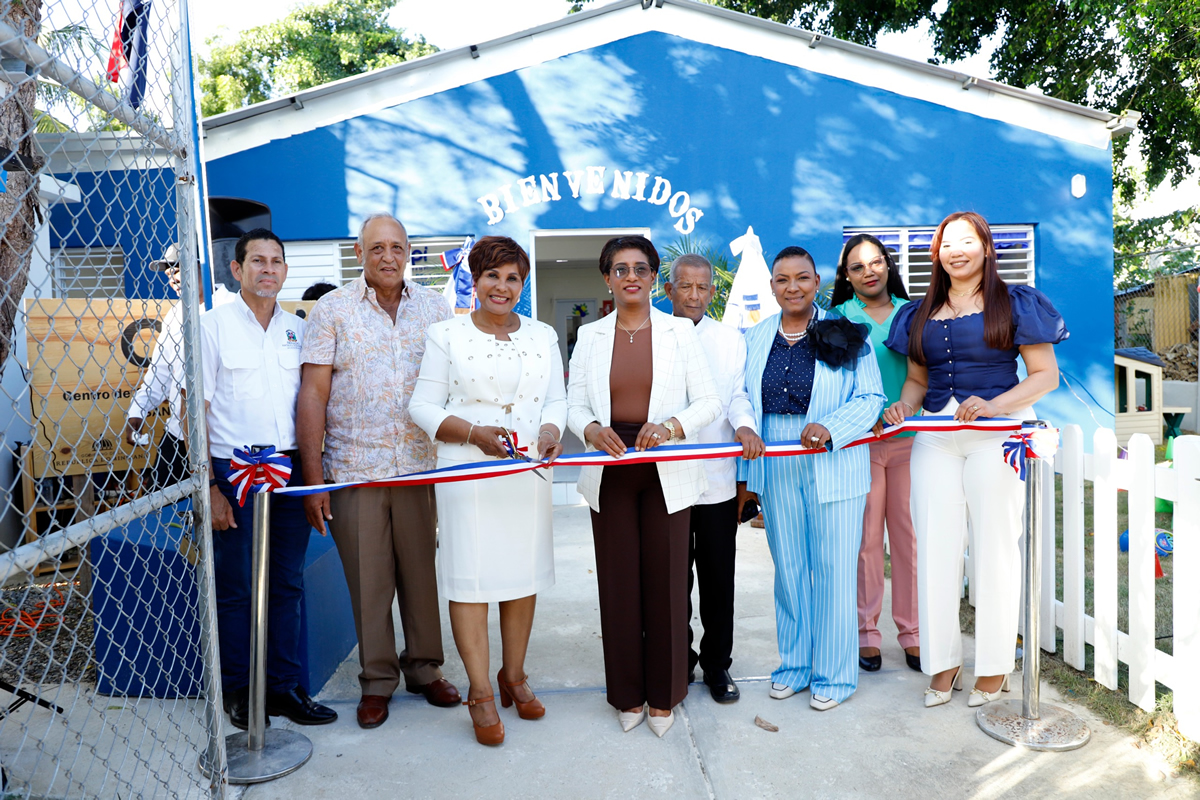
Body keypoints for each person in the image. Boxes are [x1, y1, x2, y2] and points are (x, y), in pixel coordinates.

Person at [883, 211, 1067, 708]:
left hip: (996, 435)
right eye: (947, 243)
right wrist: (904, 406)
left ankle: (993, 666)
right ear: (936, 254)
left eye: (967, 241)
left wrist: (995, 405)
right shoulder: (918, 312)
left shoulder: (1015, 303)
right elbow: (917, 381)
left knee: (994, 549)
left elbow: (1045, 375)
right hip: (935, 438)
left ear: (987, 248)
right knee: (934, 549)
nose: (956, 251)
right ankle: (942, 663)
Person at [296, 213, 461, 730]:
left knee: (420, 575)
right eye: (376, 248)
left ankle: (425, 669)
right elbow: (313, 395)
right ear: (359, 252)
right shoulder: (332, 309)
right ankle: (377, 680)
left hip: (418, 468)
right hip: (355, 470)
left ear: (408, 251)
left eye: (396, 247)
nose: (388, 257)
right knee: (369, 582)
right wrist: (313, 478)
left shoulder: (435, 308)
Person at [409, 236, 566, 746]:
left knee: (522, 575)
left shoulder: (543, 334)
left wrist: (550, 432)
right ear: (475, 281)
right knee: (471, 581)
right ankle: (479, 692)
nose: (502, 286)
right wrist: (473, 434)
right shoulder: (445, 335)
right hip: (467, 472)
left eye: (512, 277)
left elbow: (556, 400)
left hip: (527, 472)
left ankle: (513, 676)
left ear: (523, 283)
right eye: (492, 276)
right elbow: (422, 406)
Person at [566, 236, 720, 737]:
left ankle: (665, 696)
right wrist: (590, 429)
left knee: (668, 583)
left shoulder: (680, 332)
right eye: (620, 269)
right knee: (618, 585)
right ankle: (627, 694)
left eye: (640, 268)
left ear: (654, 278)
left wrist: (672, 427)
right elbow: (573, 404)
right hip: (610, 466)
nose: (630, 276)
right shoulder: (589, 335)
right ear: (607, 278)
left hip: (666, 467)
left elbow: (710, 402)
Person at [200, 228, 337, 730]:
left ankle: (283, 687)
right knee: (236, 586)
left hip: (290, 469)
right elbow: (196, 410)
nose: (268, 270)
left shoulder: (298, 330)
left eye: (276, 261)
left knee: (286, 582)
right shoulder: (212, 327)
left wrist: (315, 477)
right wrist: (209, 487)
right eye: (257, 261)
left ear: (285, 270)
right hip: (232, 471)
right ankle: (238, 690)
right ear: (237, 270)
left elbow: (312, 403)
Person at [738, 246, 885, 711]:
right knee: (790, 570)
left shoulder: (846, 331)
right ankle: (795, 666)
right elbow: (742, 398)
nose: (793, 287)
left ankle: (835, 676)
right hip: (777, 460)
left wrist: (831, 427)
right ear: (772, 286)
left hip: (833, 457)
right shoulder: (756, 337)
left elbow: (871, 398)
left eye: (802, 277)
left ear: (817, 282)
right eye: (782, 279)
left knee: (834, 570)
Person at [662, 254, 764, 703]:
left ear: (712, 292)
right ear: (669, 290)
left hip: (718, 482)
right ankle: (679, 660)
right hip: (668, 479)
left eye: (703, 287)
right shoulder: (654, 335)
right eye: (685, 286)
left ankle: (717, 665)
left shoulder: (729, 339)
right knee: (673, 582)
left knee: (719, 581)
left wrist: (745, 426)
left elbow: (738, 395)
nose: (694, 295)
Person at [830, 234, 921, 674]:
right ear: (846, 276)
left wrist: (904, 409)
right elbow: (832, 383)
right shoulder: (837, 318)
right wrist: (859, 417)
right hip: (861, 444)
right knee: (866, 541)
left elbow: (924, 374)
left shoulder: (914, 313)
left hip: (908, 439)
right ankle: (866, 633)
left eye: (875, 262)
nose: (868, 271)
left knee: (907, 538)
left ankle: (913, 632)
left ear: (888, 265)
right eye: (857, 266)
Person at [125, 244, 234, 489]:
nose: (172, 277)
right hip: (179, 434)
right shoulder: (175, 315)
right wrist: (137, 411)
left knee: (228, 508)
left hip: (226, 440)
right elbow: (159, 373)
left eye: (178, 269)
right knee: (163, 507)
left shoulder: (235, 308)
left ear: (204, 267)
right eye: (168, 272)